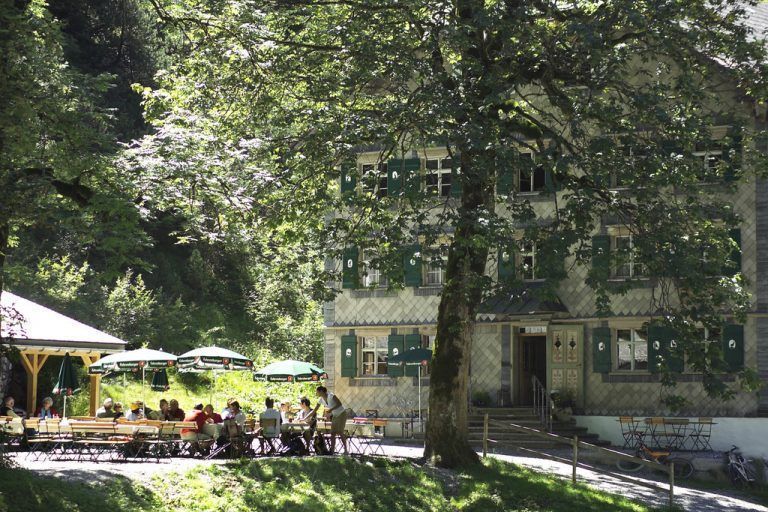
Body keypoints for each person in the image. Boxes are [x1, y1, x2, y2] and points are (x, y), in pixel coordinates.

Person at [315, 386, 348, 455]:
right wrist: (306, 417)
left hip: (341, 414)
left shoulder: (331, 396)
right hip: (335, 415)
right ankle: (332, 451)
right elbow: (315, 409)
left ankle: (346, 450)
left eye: (317, 391)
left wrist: (331, 410)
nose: (316, 393)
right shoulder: (321, 399)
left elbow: (339, 404)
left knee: (340, 432)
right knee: (332, 433)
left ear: (321, 391)